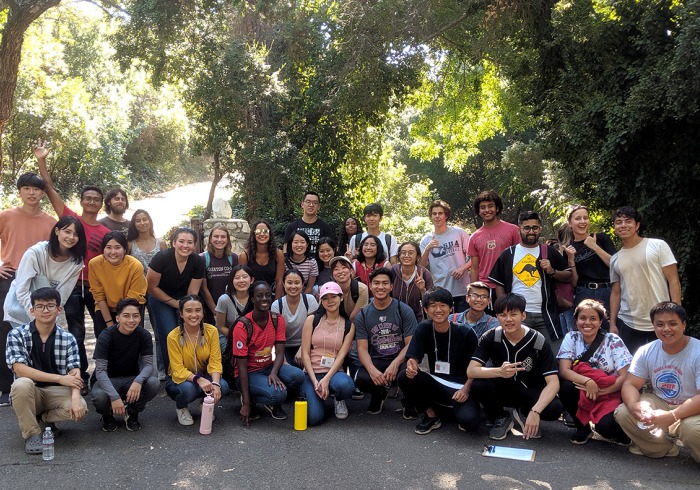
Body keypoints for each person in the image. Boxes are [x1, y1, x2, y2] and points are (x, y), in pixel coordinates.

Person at [35, 139, 110, 384]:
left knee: (102, 332)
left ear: (100, 204)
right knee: (76, 333)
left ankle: (102, 374)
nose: (91, 201)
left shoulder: (104, 230)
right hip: (70, 286)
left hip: (96, 287)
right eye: (87, 198)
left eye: (95, 199)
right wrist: (41, 160)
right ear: (81, 201)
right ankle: (81, 375)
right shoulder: (70, 218)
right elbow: (49, 189)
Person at [467, 293, 562, 441]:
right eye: (503, 315)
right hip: (502, 389)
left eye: (513, 314)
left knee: (554, 408)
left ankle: (525, 413)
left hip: (528, 389)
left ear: (523, 315)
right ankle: (501, 416)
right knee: (478, 384)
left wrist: (535, 411)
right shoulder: (490, 336)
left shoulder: (538, 340)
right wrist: (499, 371)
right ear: (497, 317)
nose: (508, 319)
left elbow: (553, 382)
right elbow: (471, 370)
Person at [5, 287, 87, 455]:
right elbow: (19, 369)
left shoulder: (67, 338)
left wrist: (76, 397)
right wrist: (59, 378)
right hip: (31, 391)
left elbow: (74, 371)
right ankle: (32, 434)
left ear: (59, 309)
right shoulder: (16, 334)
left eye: (50, 306)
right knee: (21, 384)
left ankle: (44, 420)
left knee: (80, 408)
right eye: (40, 306)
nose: (45, 310)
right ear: (32, 310)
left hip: (55, 392)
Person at [614, 302, 700, 461]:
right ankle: (662, 447)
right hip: (662, 402)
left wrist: (672, 416)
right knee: (625, 412)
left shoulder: (698, 351)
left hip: (693, 408)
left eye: (672, 323)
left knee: (691, 428)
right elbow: (630, 384)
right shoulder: (646, 351)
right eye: (660, 324)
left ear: (684, 324)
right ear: (653, 326)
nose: (666, 329)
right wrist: (636, 406)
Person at [0, 172, 57, 406]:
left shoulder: (51, 222)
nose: (31, 193)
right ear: (20, 191)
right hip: (10, 276)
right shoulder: (6, 216)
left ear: (43, 192)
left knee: (40, 331)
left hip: (39, 281)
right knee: (6, 331)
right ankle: (6, 387)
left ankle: (41, 384)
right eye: (26, 188)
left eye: (36, 189)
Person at [398, 287, 481, 435]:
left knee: (470, 423)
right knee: (404, 376)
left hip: (461, 386)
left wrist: (466, 389)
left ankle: (451, 409)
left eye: (443, 305)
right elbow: (413, 356)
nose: (438, 310)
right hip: (437, 382)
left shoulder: (465, 332)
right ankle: (431, 415)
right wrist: (412, 365)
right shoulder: (423, 328)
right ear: (425, 309)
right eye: (433, 306)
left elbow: (478, 366)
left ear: (451, 308)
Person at [489, 210, 572, 350]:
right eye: (526, 228)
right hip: (518, 316)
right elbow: (499, 283)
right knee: (519, 356)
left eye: (535, 228)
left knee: (554, 356)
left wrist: (552, 271)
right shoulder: (508, 254)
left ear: (540, 229)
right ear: (519, 229)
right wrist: (505, 309)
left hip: (546, 315)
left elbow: (568, 275)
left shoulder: (549, 251)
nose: (531, 232)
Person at [557, 299, 632, 445]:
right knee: (565, 386)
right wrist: (588, 381)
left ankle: (619, 430)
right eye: (582, 318)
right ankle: (582, 428)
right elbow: (564, 370)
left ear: (600, 322)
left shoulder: (612, 340)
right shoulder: (571, 337)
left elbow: (626, 375)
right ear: (576, 320)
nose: (587, 323)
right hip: (584, 388)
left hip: (610, 393)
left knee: (606, 428)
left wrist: (604, 390)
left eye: (593, 319)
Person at [609, 206, 681, 354]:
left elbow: (673, 280)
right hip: (629, 323)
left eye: (628, 221)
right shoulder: (615, 259)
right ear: (614, 227)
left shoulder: (657, 245)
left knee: (666, 366)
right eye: (618, 222)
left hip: (661, 320)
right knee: (633, 370)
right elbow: (616, 292)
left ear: (637, 225)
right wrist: (612, 323)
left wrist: (676, 313)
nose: (623, 225)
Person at [233, 281, 304, 426]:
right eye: (259, 296)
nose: (264, 299)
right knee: (278, 395)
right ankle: (250, 399)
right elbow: (241, 367)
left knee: (297, 375)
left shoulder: (277, 319)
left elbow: (279, 352)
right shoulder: (242, 326)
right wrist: (246, 404)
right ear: (252, 299)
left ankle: (267, 391)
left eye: (267, 295)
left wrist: (274, 372)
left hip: (267, 366)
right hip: (248, 372)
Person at [90, 298, 160, 432]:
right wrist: (114, 397)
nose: (131, 320)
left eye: (135, 316)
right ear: (117, 318)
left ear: (140, 318)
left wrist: (138, 381)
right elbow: (100, 371)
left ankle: (132, 413)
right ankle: (107, 415)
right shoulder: (106, 336)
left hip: (131, 378)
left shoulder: (143, 335)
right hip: (109, 379)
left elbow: (148, 366)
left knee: (153, 383)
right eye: (126, 316)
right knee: (99, 395)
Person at [4, 216, 86, 329]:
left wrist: (49, 319)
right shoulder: (35, 253)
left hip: (47, 315)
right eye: (67, 232)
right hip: (21, 310)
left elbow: (62, 296)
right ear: (57, 231)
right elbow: (22, 290)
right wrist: (37, 318)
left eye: (76, 234)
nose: (71, 237)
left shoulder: (76, 262)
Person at [354, 267, 417, 415]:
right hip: (378, 359)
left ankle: (409, 400)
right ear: (370, 286)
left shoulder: (404, 310)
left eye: (385, 283)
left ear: (391, 286)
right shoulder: (363, 315)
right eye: (376, 283)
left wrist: (395, 364)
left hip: (400, 359)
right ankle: (378, 393)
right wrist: (372, 370)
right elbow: (362, 348)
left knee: (409, 373)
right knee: (361, 378)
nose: (380, 287)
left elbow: (411, 343)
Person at [147, 227, 205, 372]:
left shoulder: (198, 261)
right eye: (181, 241)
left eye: (190, 242)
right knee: (169, 332)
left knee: (189, 329)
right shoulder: (162, 258)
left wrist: (186, 308)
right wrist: (176, 304)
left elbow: (193, 292)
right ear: (173, 243)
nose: (185, 245)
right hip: (160, 297)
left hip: (185, 299)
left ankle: (190, 368)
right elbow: (151, 287)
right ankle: (171, 372)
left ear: (194, 245)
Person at [165, 295, 230, 426]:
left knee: (222, 386)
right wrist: (199, 380)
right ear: (181, 314)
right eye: (188, 311)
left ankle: (205, 405)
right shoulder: (173, 336)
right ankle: (181, 407)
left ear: (203, 312)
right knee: (189, 389)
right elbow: (177, 370)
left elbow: (215, 361)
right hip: (181, 379)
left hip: (204, 373)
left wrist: (215, 384)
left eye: (198, 310)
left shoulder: (211, 331)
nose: (194, 315)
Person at [300, 282, 356, 425]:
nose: (330, 301)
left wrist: (326, 380)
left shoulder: (348, 325)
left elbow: (342, 355)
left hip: (334, 373)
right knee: (314, 419)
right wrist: (315, 381)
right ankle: (316, 395)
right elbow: (305, 353)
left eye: (333, 297)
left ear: (341, 298)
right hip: (312, 372)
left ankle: (338, 398)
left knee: (346, 386)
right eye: (325, 298)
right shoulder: (312, 320)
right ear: (321, 301)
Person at [127, 209, 167, 377]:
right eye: (138, 220)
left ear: (150, 221)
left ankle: (162, 369)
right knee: (135, 329)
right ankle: (137, 369)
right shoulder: (130, 244)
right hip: (136, 291)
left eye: (145, 219)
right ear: (134, 224)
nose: (142, 223)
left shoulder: (161, 243)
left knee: (159, 330)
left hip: (156, 290)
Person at [89, 232, 147, 341]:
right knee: (105, 341)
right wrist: (110, 324)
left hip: (130, 308)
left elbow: (132, 299)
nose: (113, 252)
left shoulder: (135, 265)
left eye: (117, 247)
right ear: (103, 249)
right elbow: (99, 296)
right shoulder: (94, 264)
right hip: (105, 307)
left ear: (125, 249)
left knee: (130, 343)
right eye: (108, 248)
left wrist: (121, 323)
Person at [467, 190, 520, 308]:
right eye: (482, 207)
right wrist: (473, 291)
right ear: (478, 211)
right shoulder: (474, 237)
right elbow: (475, 267)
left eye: (490, 206)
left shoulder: (513, 230)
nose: (486, 210)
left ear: (497, 208)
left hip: (510, 284)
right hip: (485, 287)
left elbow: (521, 257)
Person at [419, 200, 471, 313]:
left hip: (461, 289)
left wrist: (462, 269)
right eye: (434, 213)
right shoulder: (426, 239)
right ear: (431, 216)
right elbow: (421, 266)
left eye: (440, 213)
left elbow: (474, 258)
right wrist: (428, 249)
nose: (437, 216)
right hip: (440, 290)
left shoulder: (459, 233)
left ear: (446, 215)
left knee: (461, 324)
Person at [564, 205, 617, 313]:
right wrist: (571, 260)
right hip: (584, 292)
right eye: (578, 218)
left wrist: (595, 247)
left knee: (609, 327)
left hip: (607, 290)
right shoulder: (569, 249)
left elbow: (615, 265)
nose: (582, 221)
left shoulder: (601, 238)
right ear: (570, 223)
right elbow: (574, 283)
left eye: (585, 218)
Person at [330, 255, 369, 400]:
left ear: (351, 271)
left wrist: (345, 341)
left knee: (353, 352)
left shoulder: (361, 289)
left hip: (356, 328)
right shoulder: (329, 290)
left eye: (344, 267)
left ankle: (356, 381)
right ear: (332, 274)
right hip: (335, 328)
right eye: (336, 269)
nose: (340, 271)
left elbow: (354, 318)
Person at [271, 269, 319, 365]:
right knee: (291, 374)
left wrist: (302, 349)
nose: (293, 286)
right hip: (285, 346)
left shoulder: (309, 300)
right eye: (289, 283)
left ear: (302, 284)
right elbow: (276, 334)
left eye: (297, 283)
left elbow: (315, 329)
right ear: (284, 284)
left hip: (307, 344)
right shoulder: (277, 305)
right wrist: (282, 360)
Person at [199, 225, 238, 324]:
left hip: (229, 307)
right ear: (210, 239)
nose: (219, 239)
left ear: (228, 240)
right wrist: (215, 311)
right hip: (209, 308)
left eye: (223, 237)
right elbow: (203, 289)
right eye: (216, 236)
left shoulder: (233, 258)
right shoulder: (202, 259)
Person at [239, 219, 284, 298]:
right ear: (253, 234)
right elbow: (242, 282)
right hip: (251, 297)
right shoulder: (245, 256)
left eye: (265, 231)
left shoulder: (278, 254)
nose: (262, 234)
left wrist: (276, 304)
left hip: (270, 296)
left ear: (269, 233)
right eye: (258, 231)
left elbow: (279, 281)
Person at [390, 241, 433, 323]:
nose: (406, 256)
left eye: (411, 253)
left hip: (417, 318)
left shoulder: (424, 273)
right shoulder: (392, 271)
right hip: (393, 318)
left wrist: (422, 290)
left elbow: (431, 302)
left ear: (417, 256)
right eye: (403, 253)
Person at [214, 264, 253, 353]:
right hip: (228, 336)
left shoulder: (255, 298)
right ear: (231, 281)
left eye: (245, 277)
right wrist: (238, 338)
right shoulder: (224, 299)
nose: (241, 280)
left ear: (251, 280)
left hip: (251, 337)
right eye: (237, 278)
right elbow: (221, 326)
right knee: (235, 354)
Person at [284, 191, 334, 255]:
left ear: (318, 206)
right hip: (296, 264)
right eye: (308, 202)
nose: (311, 205)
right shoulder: (292, 226)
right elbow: (285, 250)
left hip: (319, 264)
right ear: (302, 204)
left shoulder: (325, 227)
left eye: (315, 203)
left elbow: (330, 249)